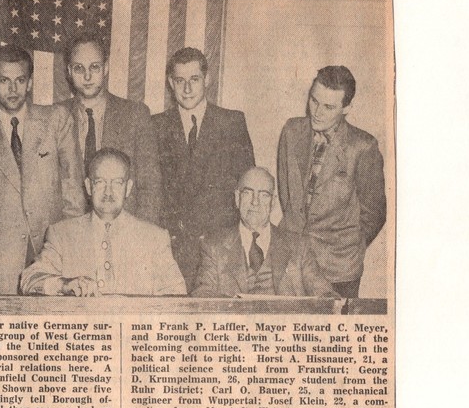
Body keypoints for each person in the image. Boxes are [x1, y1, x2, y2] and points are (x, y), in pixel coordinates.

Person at [0, 45, 86, 294]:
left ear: (29, 83)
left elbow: (73, 191)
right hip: (3, 263)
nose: (12, 89)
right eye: (4, 81)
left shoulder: (56, 120)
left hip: (54, 255)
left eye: (20, 80)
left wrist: (71, 248)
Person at [277, 65, 386, 298]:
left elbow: (374, 213)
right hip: (292, 258)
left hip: (338, 268)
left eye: (328, 107)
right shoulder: (291, 130)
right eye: (314, 101)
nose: (317, 113)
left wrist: (348, 245)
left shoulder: (363, 147)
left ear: (347, 108)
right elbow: (287, 193)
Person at [152, 47, 255, 289]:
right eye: (180, 81)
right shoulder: (155, 126)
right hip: (170, 251)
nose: (187, 89)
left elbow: (247, 189)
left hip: (218, 252)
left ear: (207, 79)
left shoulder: (232, 123)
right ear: (170, 83)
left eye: (194, 80)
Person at [21, 148, 186, 296]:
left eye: (117, 183)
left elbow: (176, 296)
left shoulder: (154, 238)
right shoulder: (61, 234)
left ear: (128, 188)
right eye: (100, 182)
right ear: (88, 186)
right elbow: (29, 279)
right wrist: (63, 284)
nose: (108, 192)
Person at [60, 31, 163, 225]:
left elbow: (150, 186)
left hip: (123, 231)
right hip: (70, 233)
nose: (88, 76)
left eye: (95, 67)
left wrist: (140, 236)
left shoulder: (135, 115)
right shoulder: (55, 116)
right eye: (79, 68)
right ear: (69, 71)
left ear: (106, 68)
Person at [193, 167, 335, 298]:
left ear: (273, 202)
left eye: (264, 195)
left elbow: (325, 295)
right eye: (248, 193)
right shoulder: (213, 246)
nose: (255, 202)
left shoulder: (299, 246)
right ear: (237, 198)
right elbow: (202, 295)